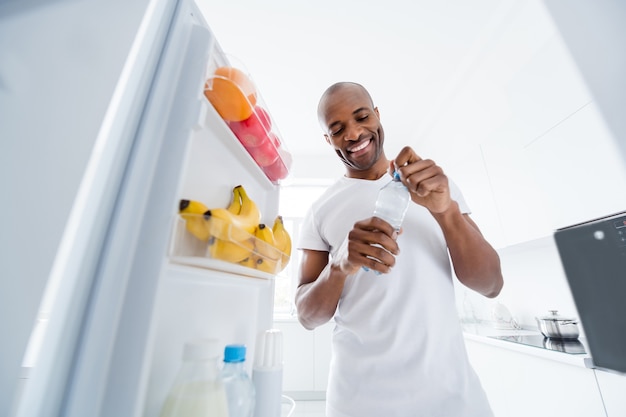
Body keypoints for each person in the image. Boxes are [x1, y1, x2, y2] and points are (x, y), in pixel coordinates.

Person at [295, 81, 504, 417]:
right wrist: (339, 265)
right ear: (328, 139)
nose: (353, 133)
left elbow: (491, 285)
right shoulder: (321, 211)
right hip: (359, 402)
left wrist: (445, 210)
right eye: (337, 129)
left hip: (451, 397)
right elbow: (307, 316)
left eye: (361, 117)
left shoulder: (435, 187)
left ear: (377, 115)